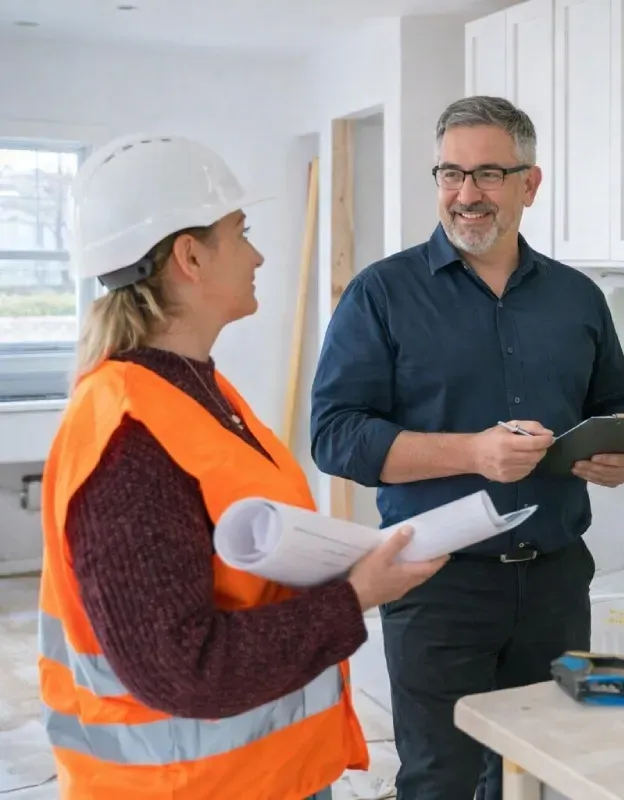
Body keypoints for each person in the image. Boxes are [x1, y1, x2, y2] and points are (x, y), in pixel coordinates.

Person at [37, 133, 446, 800]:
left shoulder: (195, 391)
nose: (257, 254)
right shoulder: (127, 438)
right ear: (190, 257)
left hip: (261, 778)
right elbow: (182, 668)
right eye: (241, 231)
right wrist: (354, 597)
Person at [309, 95, 624, 800]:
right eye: (450, 174)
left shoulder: (577, 298)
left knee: (541, 772)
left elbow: (617, 404)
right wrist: (472, 453)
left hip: (556, 583)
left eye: (489, 174)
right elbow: (335, 435)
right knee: (441, 778)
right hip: (435, 585)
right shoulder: (381, 294)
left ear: (530, 183)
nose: (466, 195)